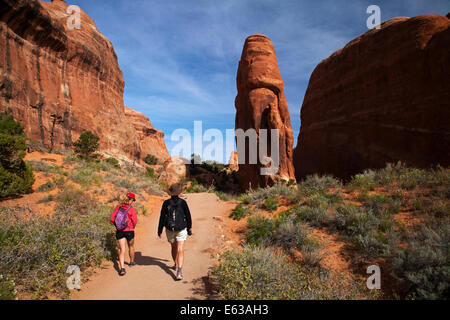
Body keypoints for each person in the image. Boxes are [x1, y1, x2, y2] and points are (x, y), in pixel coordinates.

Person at [158, 183, 192, 280]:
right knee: (180, 248)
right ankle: (179, 271)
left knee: (173, 247)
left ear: (170, 193)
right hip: (181, 228)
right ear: (179, 193)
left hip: (170, 229)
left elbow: (162, 217)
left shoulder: (166, 203)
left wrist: (159, 230)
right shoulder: (183, 203)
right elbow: (188, 216)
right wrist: (189, 227)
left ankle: (176, 265)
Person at [110, 192, 137, 276]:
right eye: (133, 200)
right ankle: (131, 262)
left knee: (122, 250)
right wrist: (132, 226)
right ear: (131, 200)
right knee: (131, 246)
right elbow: (134, 220)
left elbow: (112, 219)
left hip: (119, 231)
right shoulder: (131, 208)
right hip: (129, 230)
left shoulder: (118, 207)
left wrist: (117, 226)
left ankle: (122, 268)